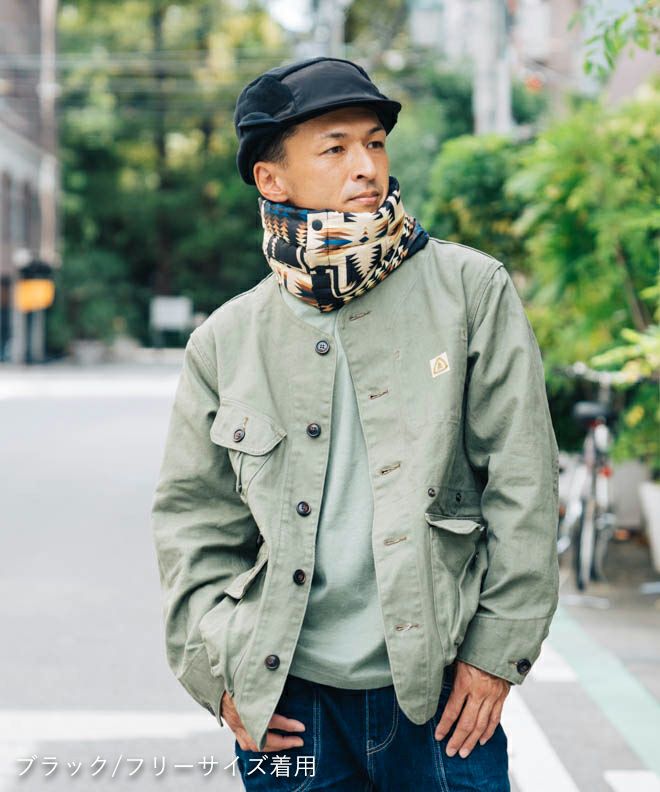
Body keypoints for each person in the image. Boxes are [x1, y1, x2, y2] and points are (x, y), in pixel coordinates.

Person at [150, 56, 560, 791]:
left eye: (374, 142)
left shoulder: (470, 292)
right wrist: (220, 672)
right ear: (272, 179)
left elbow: (523, 483)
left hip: (442, 694)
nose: (366, 166)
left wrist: (497, 654)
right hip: (289, 698)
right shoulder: (226, 340)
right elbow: (193, 524)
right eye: (335, 148)